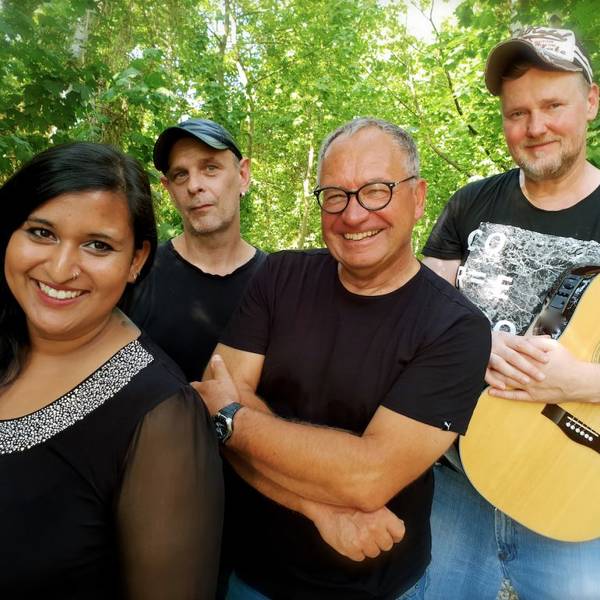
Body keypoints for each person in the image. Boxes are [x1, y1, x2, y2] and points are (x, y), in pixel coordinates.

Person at [195, 117, 491, 599]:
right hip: (254, 574)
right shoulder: (279, 276)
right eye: (335, 195)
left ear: (418, 198)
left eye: (375, 191)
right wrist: (321, 509)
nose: (353, 215)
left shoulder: (457, 328)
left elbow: (369, 477)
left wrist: (234, 420)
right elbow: (215, 399)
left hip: (379, 585)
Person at [0, 142, 223, 599]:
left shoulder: (161, 416)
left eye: (97, 245)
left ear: (136, 260)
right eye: (41, 233)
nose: (60, 268)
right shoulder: (7, 333)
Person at [422, 26, 600, 600]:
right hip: (455, 482)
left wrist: (577, 381)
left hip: (577, 490)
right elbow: (414, 318)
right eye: (517, 113)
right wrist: (472, 346)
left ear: (591, 102)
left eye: (552, 106)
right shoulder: (470, 203)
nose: (534, 126)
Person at [121, 118, 266, 381]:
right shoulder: (138, 276)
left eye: (210, 168)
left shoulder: (276, 282)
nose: (193, 185)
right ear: (169, 189)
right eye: (180, 174)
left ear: (243, 175)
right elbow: (102, 382)